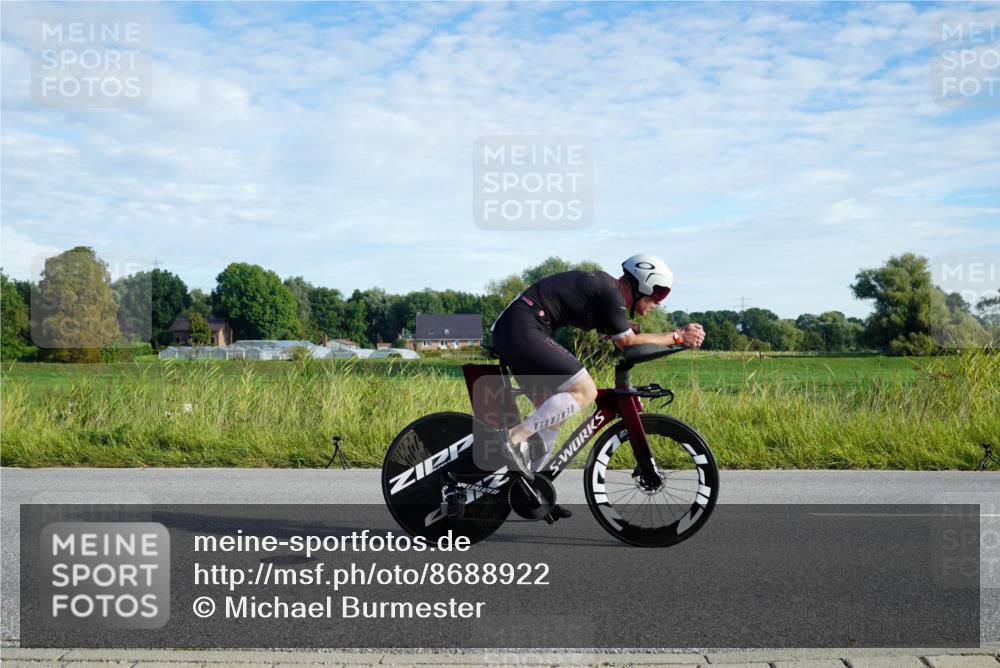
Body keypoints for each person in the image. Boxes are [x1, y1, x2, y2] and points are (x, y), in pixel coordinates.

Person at [489, 254, 706, 519]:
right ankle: (511, 438)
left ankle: (532, 488)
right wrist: (676, 336)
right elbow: (626, 341)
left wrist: (676, 338)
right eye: (658, 294)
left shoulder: (608, 296)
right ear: (643, 285)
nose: (658, 303)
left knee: (552, 417)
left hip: (518, 328)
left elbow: (627, 336)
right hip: (523, 326)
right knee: (586, 391)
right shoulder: (609, 291)